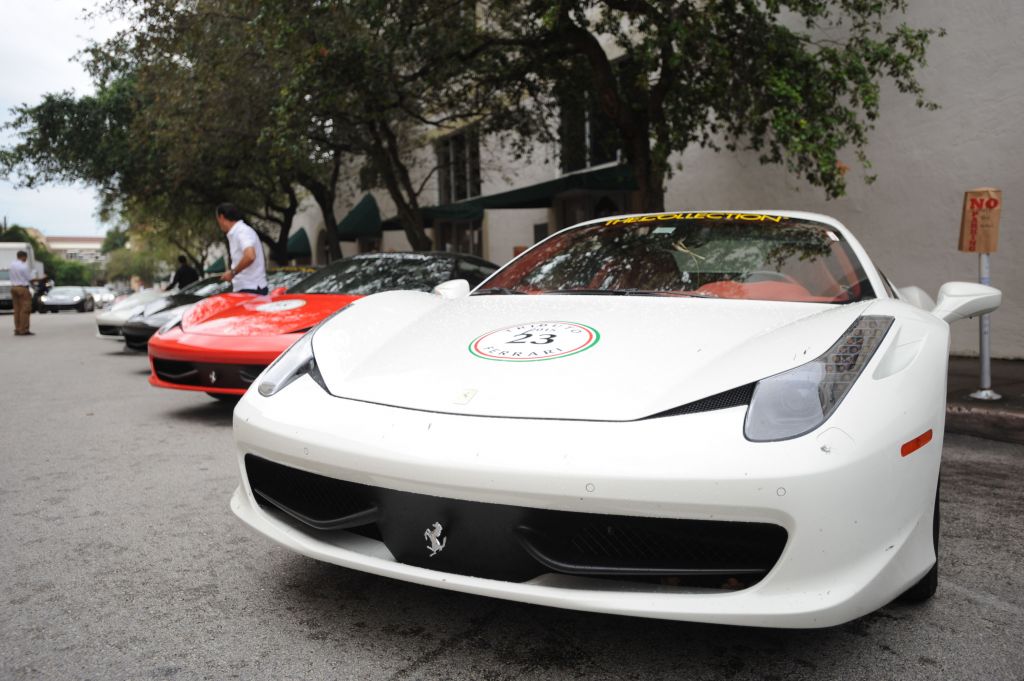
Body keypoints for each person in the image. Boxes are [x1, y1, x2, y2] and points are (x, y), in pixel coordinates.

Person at [215, 203, 268, 295]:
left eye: (217, 219)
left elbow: (250, 255)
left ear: (222, 217)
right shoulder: (237, 232)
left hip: (251, 288)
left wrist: (232, 273)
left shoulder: (242, 231)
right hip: (247, 288)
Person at [9, 250, 39, 336]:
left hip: (14, 288)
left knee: (17, 310)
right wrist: (40, 278)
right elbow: (30, 279)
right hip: (22, 288)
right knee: (25, 310)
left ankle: (17, 329)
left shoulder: (12, 264)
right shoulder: (23, 266)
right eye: (25, 257)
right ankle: (24, 329)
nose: (26, 259)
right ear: (23, 257)